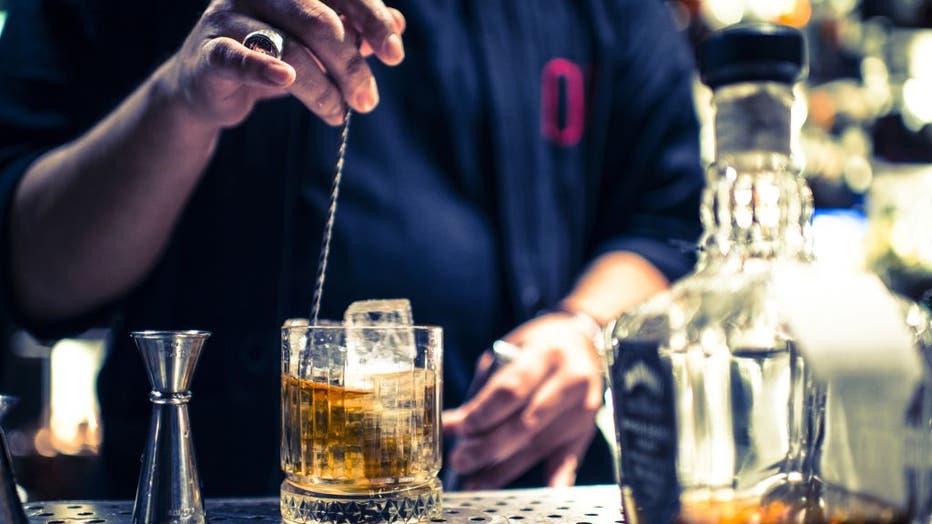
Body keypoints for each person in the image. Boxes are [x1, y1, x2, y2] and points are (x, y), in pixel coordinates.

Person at [0, 0, 703, 497]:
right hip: (204, 490)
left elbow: (666, 221)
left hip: (515, 490)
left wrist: (585, 326)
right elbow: (33, 267)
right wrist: (184, 97)